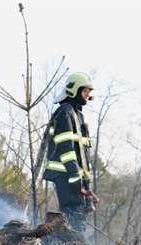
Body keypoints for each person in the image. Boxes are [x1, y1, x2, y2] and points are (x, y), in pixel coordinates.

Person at [43, 72, 98, 232]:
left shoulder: (77, 115)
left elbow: (81, 154)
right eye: (85, 91)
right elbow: (65, 148)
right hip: (66, 175)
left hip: (74, 177)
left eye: (89, 92)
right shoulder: (65, 112)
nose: (88, 95)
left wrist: (85, 180)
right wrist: (75, 176)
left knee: (77, 216)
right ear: (74, 90)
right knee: (73, 216)